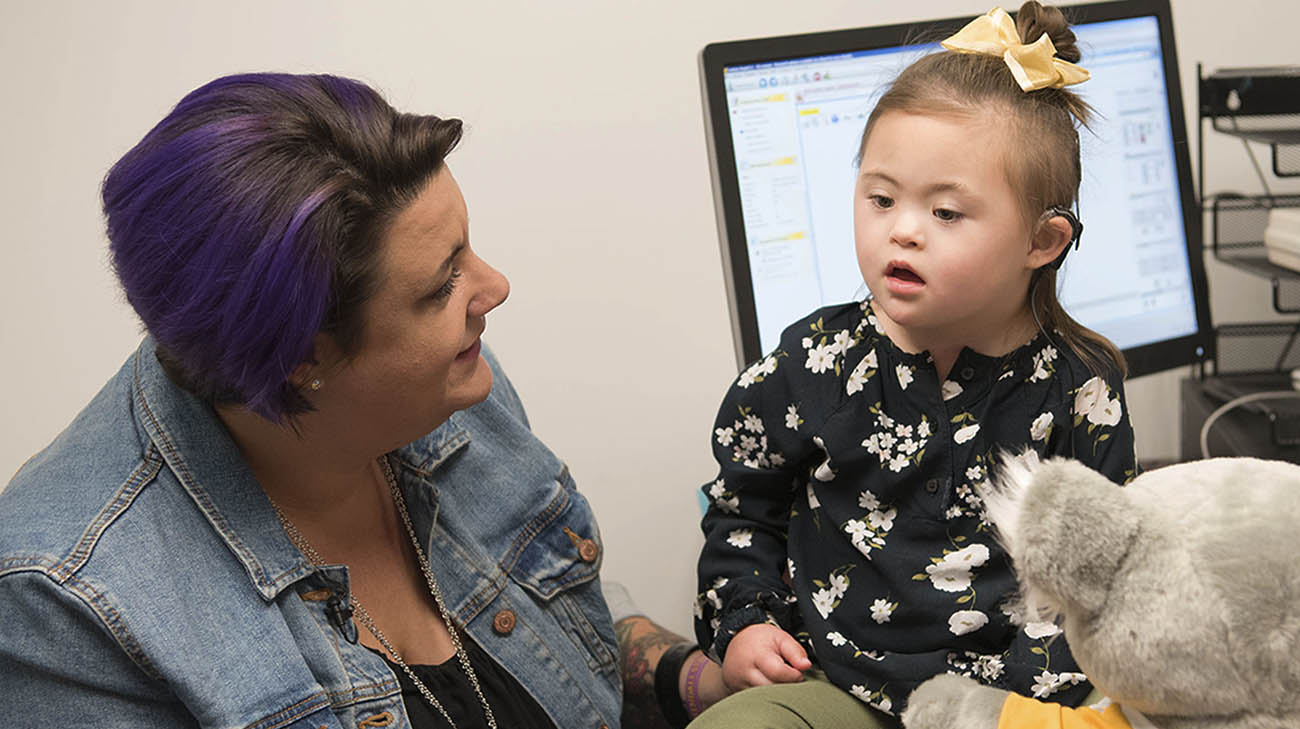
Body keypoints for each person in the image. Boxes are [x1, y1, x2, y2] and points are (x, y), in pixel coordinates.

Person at [0, 72, 724, 729]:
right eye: (442, 283)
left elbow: (549, 618)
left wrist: (696, 680)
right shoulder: (64, 606)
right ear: (301, 361)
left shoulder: (449, 387)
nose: (495, 287)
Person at [690, 4, 1137, 727]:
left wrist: (1011, 707)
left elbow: (1094, 573)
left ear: (1043, 241)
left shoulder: (1080, 387)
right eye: (881, 198)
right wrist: (746, 621)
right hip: (841, 683)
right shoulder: (813, 362)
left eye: (946, 213)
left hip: (1017, 698)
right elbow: (743, 512)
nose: (901, 229)